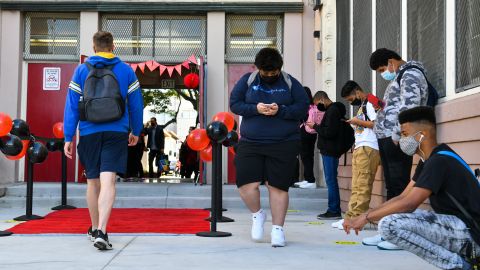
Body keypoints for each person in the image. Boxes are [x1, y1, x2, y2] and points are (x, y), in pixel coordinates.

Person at [345, 106, 480, 270]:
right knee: (394, 216)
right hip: (461, 228)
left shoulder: (439, 161)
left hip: (472, 235)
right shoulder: (429, 159)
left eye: (405, 134)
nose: (402, 140)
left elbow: (410, 203)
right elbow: (402, 197)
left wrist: (366, 219)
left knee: (390, 224)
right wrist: (366, 215)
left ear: (423, 135)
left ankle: (458, 266)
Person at [63, 31, 143, 250]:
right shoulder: (126, 70)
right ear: (113, 46)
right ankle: (102, 231)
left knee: (92, 182)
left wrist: (68, 136)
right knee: (109, 182)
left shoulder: (81, 70)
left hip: (88, 132)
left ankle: (93, 228)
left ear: (94, 47)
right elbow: (136, 104)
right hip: (116, 131)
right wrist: (136, 129)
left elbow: (71, 105)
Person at [230, 47, 309, 247]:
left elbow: (302, 108)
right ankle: (257, 215)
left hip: (284, 143)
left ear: (279, 69)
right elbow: (235, 104)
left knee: (278, 187)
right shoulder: (248, 80)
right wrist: (255, 109)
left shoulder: (290, 82)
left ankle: (278, 230)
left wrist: (280, 110)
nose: (270, 76)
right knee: (246, 185)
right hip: (250, 142)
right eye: (266, 73)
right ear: (258, 69)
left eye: (274, 73)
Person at [363, 48, 428, 249]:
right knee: (392, 186)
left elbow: (410, 107)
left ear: (392, 61)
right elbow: (398, 104)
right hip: (387, 135)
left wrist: (398, 134)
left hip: (396, 138)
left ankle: (400, 235)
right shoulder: (400, 76)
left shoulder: (410, 74)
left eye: (383, 68)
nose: (384, 73)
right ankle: (389, 232)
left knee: (399, 185)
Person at [331, 81, 380, 230]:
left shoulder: (370, 103)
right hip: (360, 148)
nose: (351, 102)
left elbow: (377, 124)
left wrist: (357, 121)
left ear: (357, 92)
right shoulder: (362, 106)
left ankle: (356, 219)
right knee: (357, 185)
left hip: (369, 147)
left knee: (363, 185)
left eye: (351, 99)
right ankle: (350, 217)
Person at [306, 91, 352, 220]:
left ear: (322, 99)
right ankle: (333, 209)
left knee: (330, 180)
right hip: (331, 150)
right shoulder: (334, 110)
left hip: (330, 150)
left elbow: (329, 132)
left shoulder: (332, 111)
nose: (317, 107)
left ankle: (333, 210)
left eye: (317, 104)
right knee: (331, 180)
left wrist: (315, 126)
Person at [294, 87, 323, 189]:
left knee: (305, 156)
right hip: (313, 132)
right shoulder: (313, 105)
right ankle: (308, 179)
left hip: (305, 131)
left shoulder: (304, 106)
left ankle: (310, 180)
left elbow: (300, 118)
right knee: (309, 155)